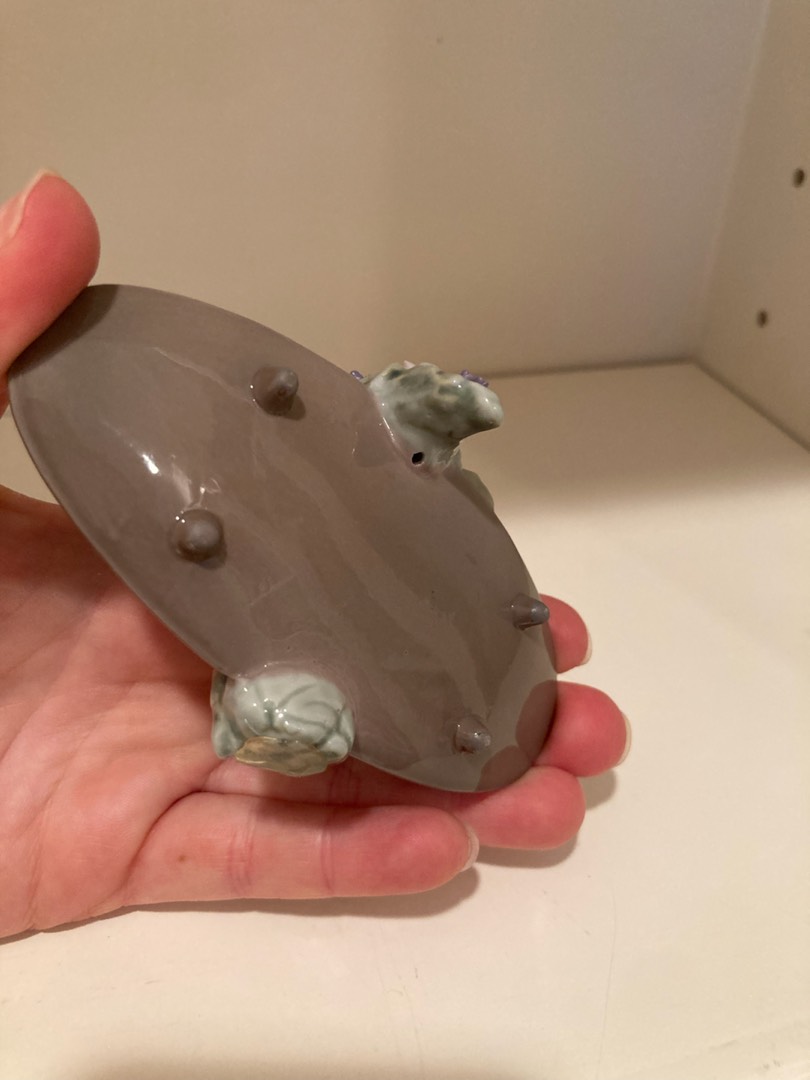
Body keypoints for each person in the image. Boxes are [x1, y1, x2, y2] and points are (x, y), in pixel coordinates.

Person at [0, 172, 630, 939]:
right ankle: (278, 718)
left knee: (281, 712)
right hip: (341, 683)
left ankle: (280, 717)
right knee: (274, 717)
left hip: (419, 678)